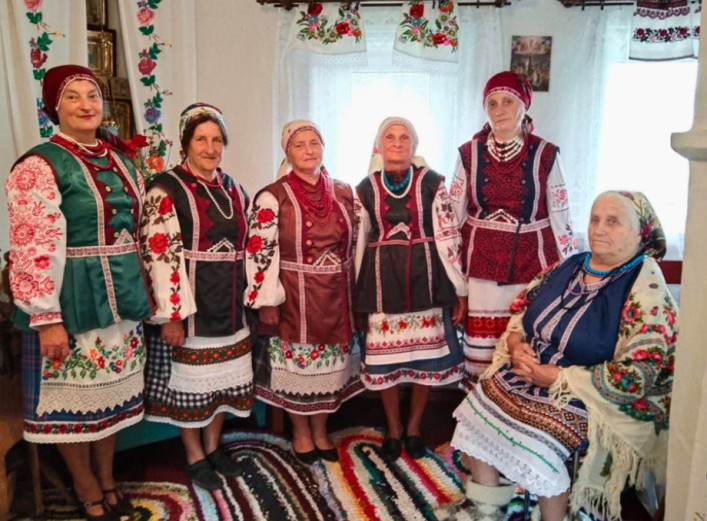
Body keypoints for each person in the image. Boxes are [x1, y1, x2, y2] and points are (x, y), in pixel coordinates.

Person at [444, 191, 676, 521]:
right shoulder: (571, 264)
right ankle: (486, 507)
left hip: (585, 394)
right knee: (474, 413)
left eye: (613, 221)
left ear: (641, 233)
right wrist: (515, 344)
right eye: (595, 219)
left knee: (539, 446)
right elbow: (523, 308)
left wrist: (558, 378)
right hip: (529, 376)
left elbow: (639, 374)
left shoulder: (646, 286)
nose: (599, 229)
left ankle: (555, 517)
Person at [5, 65, 152, 521]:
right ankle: (85, 486)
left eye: (93, 95)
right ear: (55, 108)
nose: (87, 104)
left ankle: (107, 478)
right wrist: (46, 317)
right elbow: (32, 244)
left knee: (110, 398)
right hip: (71, 301)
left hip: (122, 299)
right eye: (73, 97)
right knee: (73, 404)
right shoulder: (40, 164)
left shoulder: (120, 159)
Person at [140, 103, 253, 490]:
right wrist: (172, 316)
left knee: (221, 384)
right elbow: (159, 255)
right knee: (191, 387)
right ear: (185, 143)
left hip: (231, 304)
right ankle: (195, 455)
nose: (210, 148)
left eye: (217, 140)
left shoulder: (233, 187)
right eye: (201, 139)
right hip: (191, 307)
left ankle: (213, 446)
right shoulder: (165, 188)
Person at [245, 120, 363, 464]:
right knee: (298, 371)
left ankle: (321, 430)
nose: (309, 150)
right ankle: (301, 432)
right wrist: (266, 300)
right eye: (300, 145)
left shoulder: (344, 192)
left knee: (331, 369)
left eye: (314, 143)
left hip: (337, 297)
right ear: (288, 152)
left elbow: (359, 244)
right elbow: (260, 252)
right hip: (295, 297)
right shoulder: (272, 196)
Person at [449, 71, 576, 391]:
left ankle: (516, 411)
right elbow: (452, 217)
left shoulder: (546, 154)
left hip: (532, 268)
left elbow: (561, 215)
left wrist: (569, 273)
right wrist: (454, 278)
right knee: (482, 353)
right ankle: (478, 412)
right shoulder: (468, 153)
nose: (499, 109)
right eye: (492, 103)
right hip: (481, 270)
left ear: (523, 106)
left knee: (524, 347)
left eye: (507, 101)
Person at [354, 117, 468, 462]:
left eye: (404, 137)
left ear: (414, 145)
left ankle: (414, 426)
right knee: (385, 362)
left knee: (426, 360)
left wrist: (459, 288)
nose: (397, 142)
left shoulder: (432, 183)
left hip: (426, 280)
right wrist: (356, 291)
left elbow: (448, 235)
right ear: (379, 144)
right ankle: (394, 428)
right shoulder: (366, 187)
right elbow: (359, 240)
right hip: (381, 284)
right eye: (390, 136)